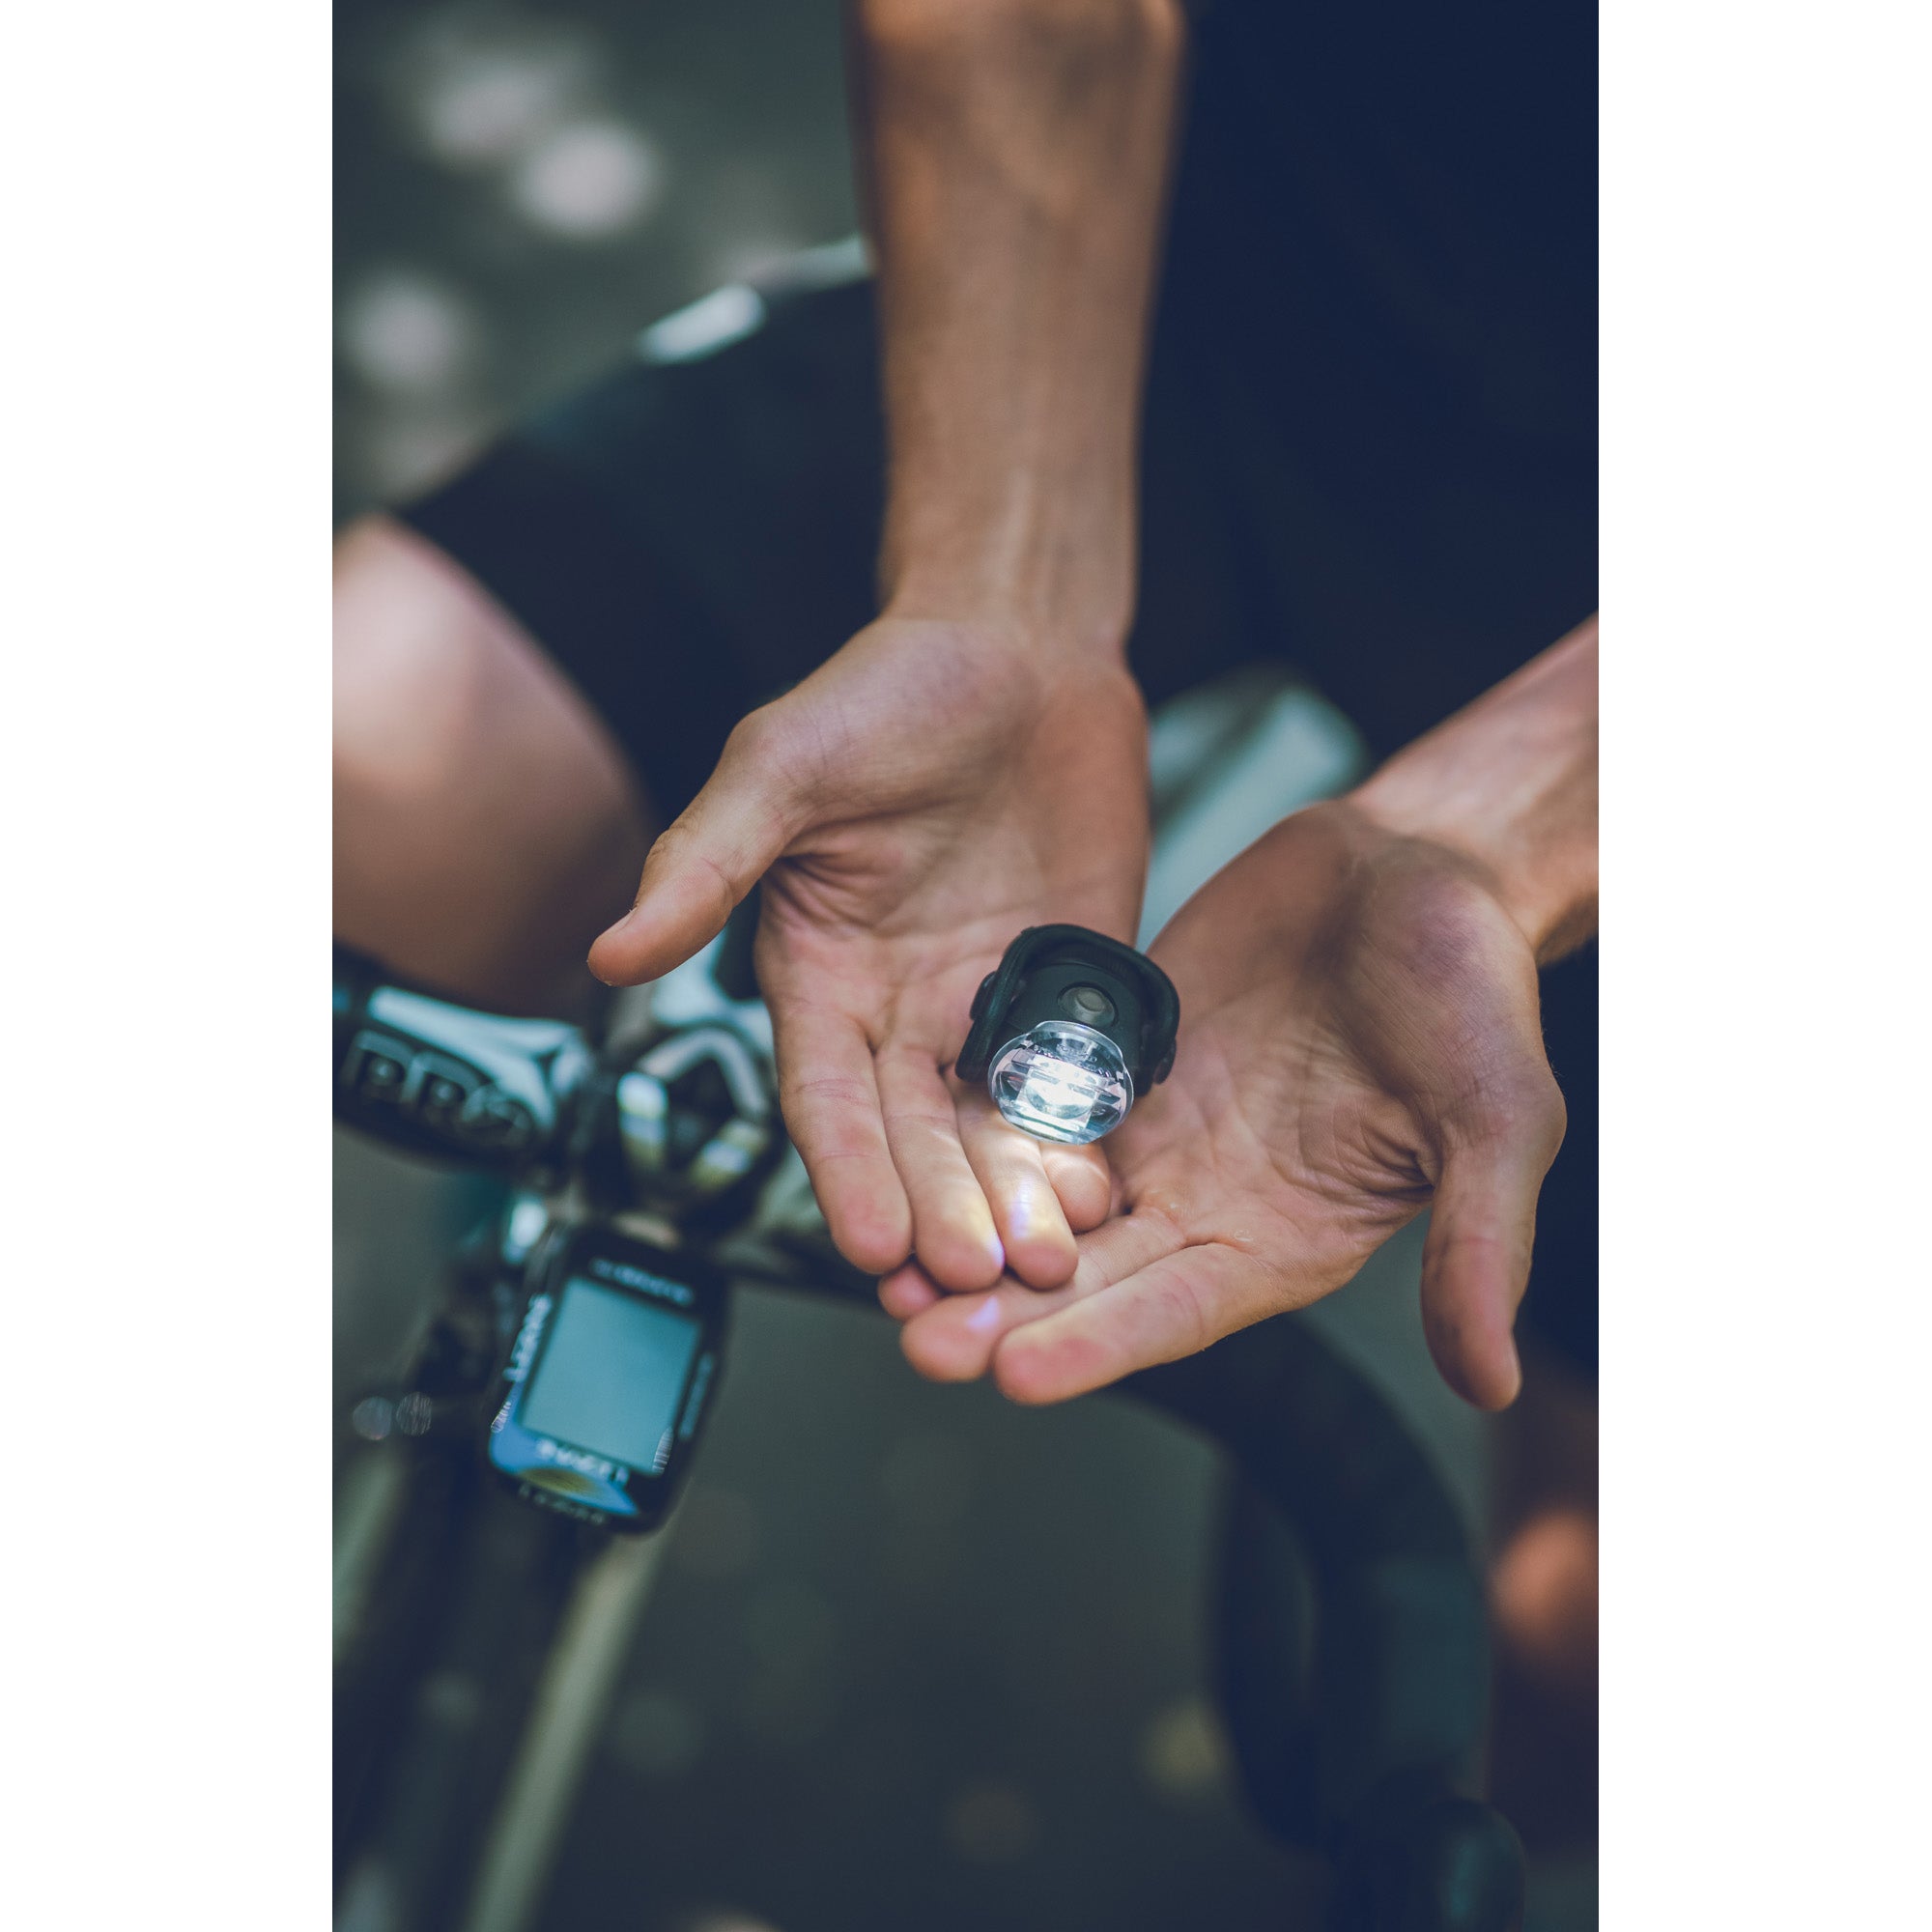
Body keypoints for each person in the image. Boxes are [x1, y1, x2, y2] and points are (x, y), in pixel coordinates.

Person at [336, 0, 1597, 1417]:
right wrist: (994, 597)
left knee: (1580, 1590)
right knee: (357, 800)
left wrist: (1503, 845)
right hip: (1172, 278)